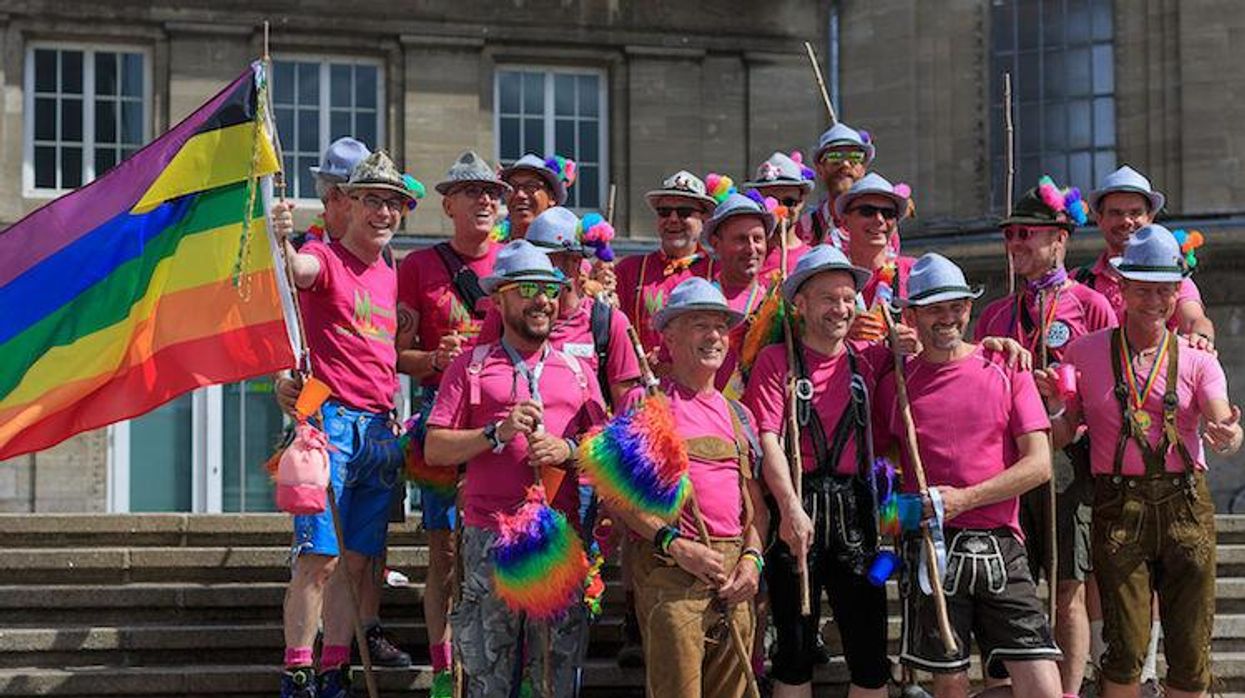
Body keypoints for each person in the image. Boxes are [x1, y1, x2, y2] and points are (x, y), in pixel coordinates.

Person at [1038, 225, 1243, 698]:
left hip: (1185, 505)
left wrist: (1228, 434)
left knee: (1191, 655)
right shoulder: (1085, 352)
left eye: (1165, 290)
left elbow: (1224, 426)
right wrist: (1050, 405)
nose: (1154, 300)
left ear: (1177, 292)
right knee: (1124, 652)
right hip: (1118, 508)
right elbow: (1065, 432)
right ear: (1123, 288)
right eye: (1144, 289)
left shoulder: (1197, 358)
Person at [874, 253, 1062, 698]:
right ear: (912, 315)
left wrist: (963, 499)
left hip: (1002, 544)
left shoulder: (1006, 366)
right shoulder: (893, 386)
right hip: (930, 554)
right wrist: (898, 531)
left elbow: (1039, 465)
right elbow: (883, 477)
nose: (949, 317)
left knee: (1043, 687)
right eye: (935, 308)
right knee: (950, 683)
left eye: (956, 305)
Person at [424, 240, 607, 698]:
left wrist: (566, 450)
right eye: (527, 289)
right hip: (489, 536)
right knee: (489, 676)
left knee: (555, 675)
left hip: (556, 536)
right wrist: (495, 434)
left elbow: (605, 451)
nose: (542, 300)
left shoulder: (577, 370)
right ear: (499, 298)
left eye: (549, 289)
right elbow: (434, 448)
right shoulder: (470, 366)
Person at [275, 151, 415, 698]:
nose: (384, 212)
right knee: (319, 559)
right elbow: (296, 271)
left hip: (380, 427)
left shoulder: (389, 270)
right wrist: (282, 237)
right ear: (348, 204)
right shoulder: (324, 255)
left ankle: (334, 667)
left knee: (358, 563)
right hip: (329, 425)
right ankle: (298, 671)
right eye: (373, 200)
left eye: (394, 203)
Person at [974, 182, 1118, 697]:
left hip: (1069, 461)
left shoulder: (1091, 304)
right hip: (1009, 462)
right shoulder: (994, 314)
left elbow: (1113, 385)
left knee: (1067, 587)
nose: (1015, 243)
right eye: (1010, 235)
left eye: (1026, 234)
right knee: (1010, 585)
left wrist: (1063, 392)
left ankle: (1070, 690)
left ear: (1059, 240)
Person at [744, 245, 897, 698]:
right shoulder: (777, 362)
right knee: (793, 651)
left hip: (859, 519)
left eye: (849, 298)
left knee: (870, 653)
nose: (842, 309)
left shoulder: (871, 360)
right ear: (802, 304)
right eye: (829, 298)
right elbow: (768, 439)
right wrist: (790, 507)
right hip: (798, 515)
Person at [613, 277, 767, 698]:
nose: (715, 336)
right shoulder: (649, 406)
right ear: (670, 335)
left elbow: (757, 509)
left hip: (734, 579)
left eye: (720, 326)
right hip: (673, 577)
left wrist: (753, 561)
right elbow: (619, 498)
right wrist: (675, 544)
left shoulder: (740, 415)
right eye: (701, 324)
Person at [395, 151, 510, 695]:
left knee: (501, 545)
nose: (485, 200)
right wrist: (434, 360)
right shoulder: (418, 266)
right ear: (448, 204)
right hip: (440, 425)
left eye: (492, 192)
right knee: (442, 550)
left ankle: (500, 658)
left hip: (503, 428)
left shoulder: (517, 260)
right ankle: (444, 668)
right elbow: (396, 355)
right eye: (471, 192)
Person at [1079, 165, 1214, 346]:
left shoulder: (1170, 274)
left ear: (1150, 218)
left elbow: (1193, 320)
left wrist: (1201, 339)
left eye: (1135, 213)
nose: (1126, 221)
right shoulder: (1079, 280)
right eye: (1116, 213)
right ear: (1099, 219)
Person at [615, 171, 718, 354]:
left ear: (704, 219)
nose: (672, 219)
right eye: (664, 212)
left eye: (684, 212)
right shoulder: (629, 270)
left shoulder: (718, 273)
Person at [832, 173, 917, 343]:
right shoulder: (829, 273)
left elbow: (939, 333)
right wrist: (838, 331)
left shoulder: (914, 272)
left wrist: (917, 343)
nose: (879, 220)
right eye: (867, 211)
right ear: (845, 220)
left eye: (888, 213)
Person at [703, 192, 774, 394]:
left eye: (758, 239)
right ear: (717, 244)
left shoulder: (777, 305)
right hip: (708, 419)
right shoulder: (695, 303)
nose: (751, 248)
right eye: (741, 239)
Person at [741, 151, 817, 279]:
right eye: (772, 201)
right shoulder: (745, 257)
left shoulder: (811, 260)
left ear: (801, 202)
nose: (781, 209)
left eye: (788, 202)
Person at [798, 122, 873, 247]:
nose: (845, 164)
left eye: (855, 157)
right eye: (834, 157)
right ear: (820, 168)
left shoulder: (880, 222)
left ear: (864, 168)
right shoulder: (806, 228)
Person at [497, 153, 573, 241]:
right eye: (512, 187)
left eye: (531, 187)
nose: (520, 195)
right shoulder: (491, 246)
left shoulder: (565, 248)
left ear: (552, 197)